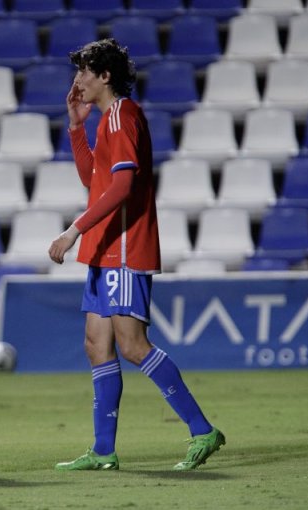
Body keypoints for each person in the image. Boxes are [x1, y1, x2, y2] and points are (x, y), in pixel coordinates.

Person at [47, 39, 225, 471]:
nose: (77, 81)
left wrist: (72, 231)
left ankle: (202, 430)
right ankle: (104, 451)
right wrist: (75, 128)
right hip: (104, 248)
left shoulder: (124, 114)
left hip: (125, 247)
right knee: (96, 345)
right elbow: (95, 178)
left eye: (85, 71)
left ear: (105, 75)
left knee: (132, 345)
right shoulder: (107, 120)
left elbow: (123, 188)